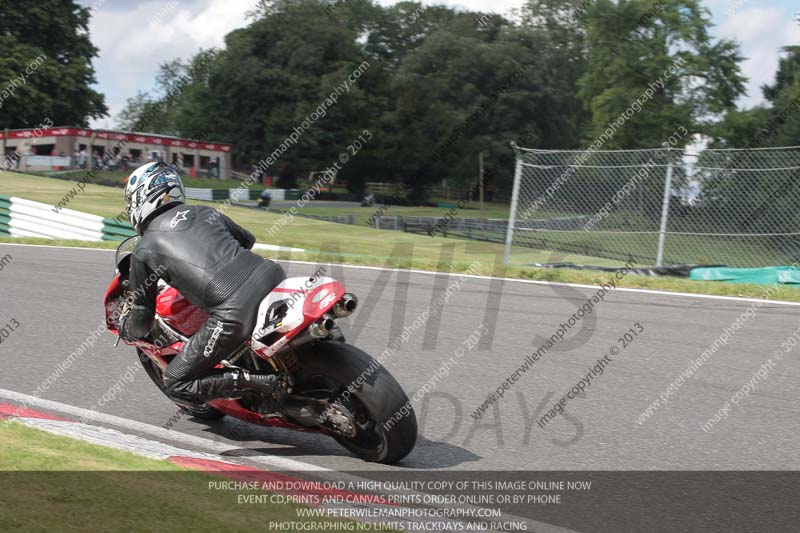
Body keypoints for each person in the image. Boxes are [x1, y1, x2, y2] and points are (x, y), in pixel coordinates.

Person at [119, 162, 290, 408]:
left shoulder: (143, 249)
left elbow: (142, 319)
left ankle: (264, 382)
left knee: (176, 383)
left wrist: (128, 329)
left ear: (139, 200)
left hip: (234, 311)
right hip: (272, 275)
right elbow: (247, 240)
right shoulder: (205, 211)